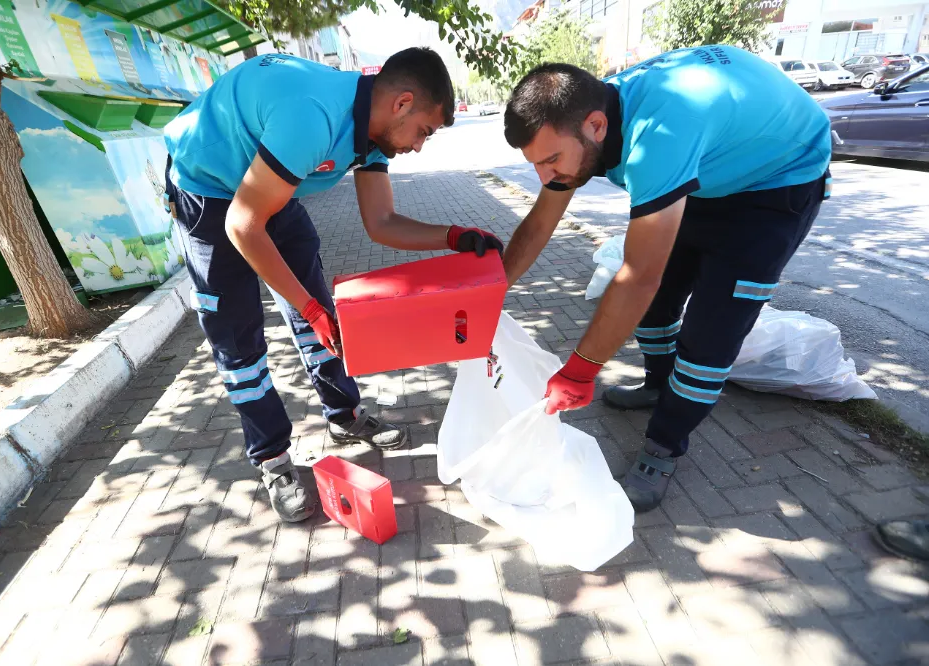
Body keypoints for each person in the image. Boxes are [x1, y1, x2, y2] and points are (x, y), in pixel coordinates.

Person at [163, 48, 503, 523]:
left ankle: (343, 415)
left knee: (324, 318)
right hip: (209, 191)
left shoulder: (374, 135)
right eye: (424, 131)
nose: (420, 145)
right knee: (238, 339)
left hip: (271, 189)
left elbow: (381, 222)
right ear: (402, 103)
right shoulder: (313, 117)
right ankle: (273, 458)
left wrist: (452, 237)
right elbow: (243, 224)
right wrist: (306, 306)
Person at [501, 46, 831, 512]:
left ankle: (665, 444)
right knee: (657, 307)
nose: (545, 175)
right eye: (535, 162)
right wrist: (494, 288)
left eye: (551, 159)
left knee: (710, 335)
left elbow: (638, 277)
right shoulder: (592, 119)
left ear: (596, 126)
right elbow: (538, 223)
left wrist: (580, 370)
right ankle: (659, 384)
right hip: (715, 170)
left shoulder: (658, 139)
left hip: (777, 183)